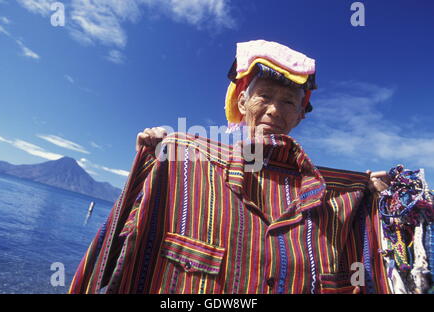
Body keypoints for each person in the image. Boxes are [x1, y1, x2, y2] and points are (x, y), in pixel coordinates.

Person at [69, 40, 432, 294]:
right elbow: (111, 256)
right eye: (265, 96)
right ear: (242, 101)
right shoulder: (183, 165)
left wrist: (371, 196)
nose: (276, 109)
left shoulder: (339, 198)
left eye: (289, 101)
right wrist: (155, 158)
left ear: (300, 116)